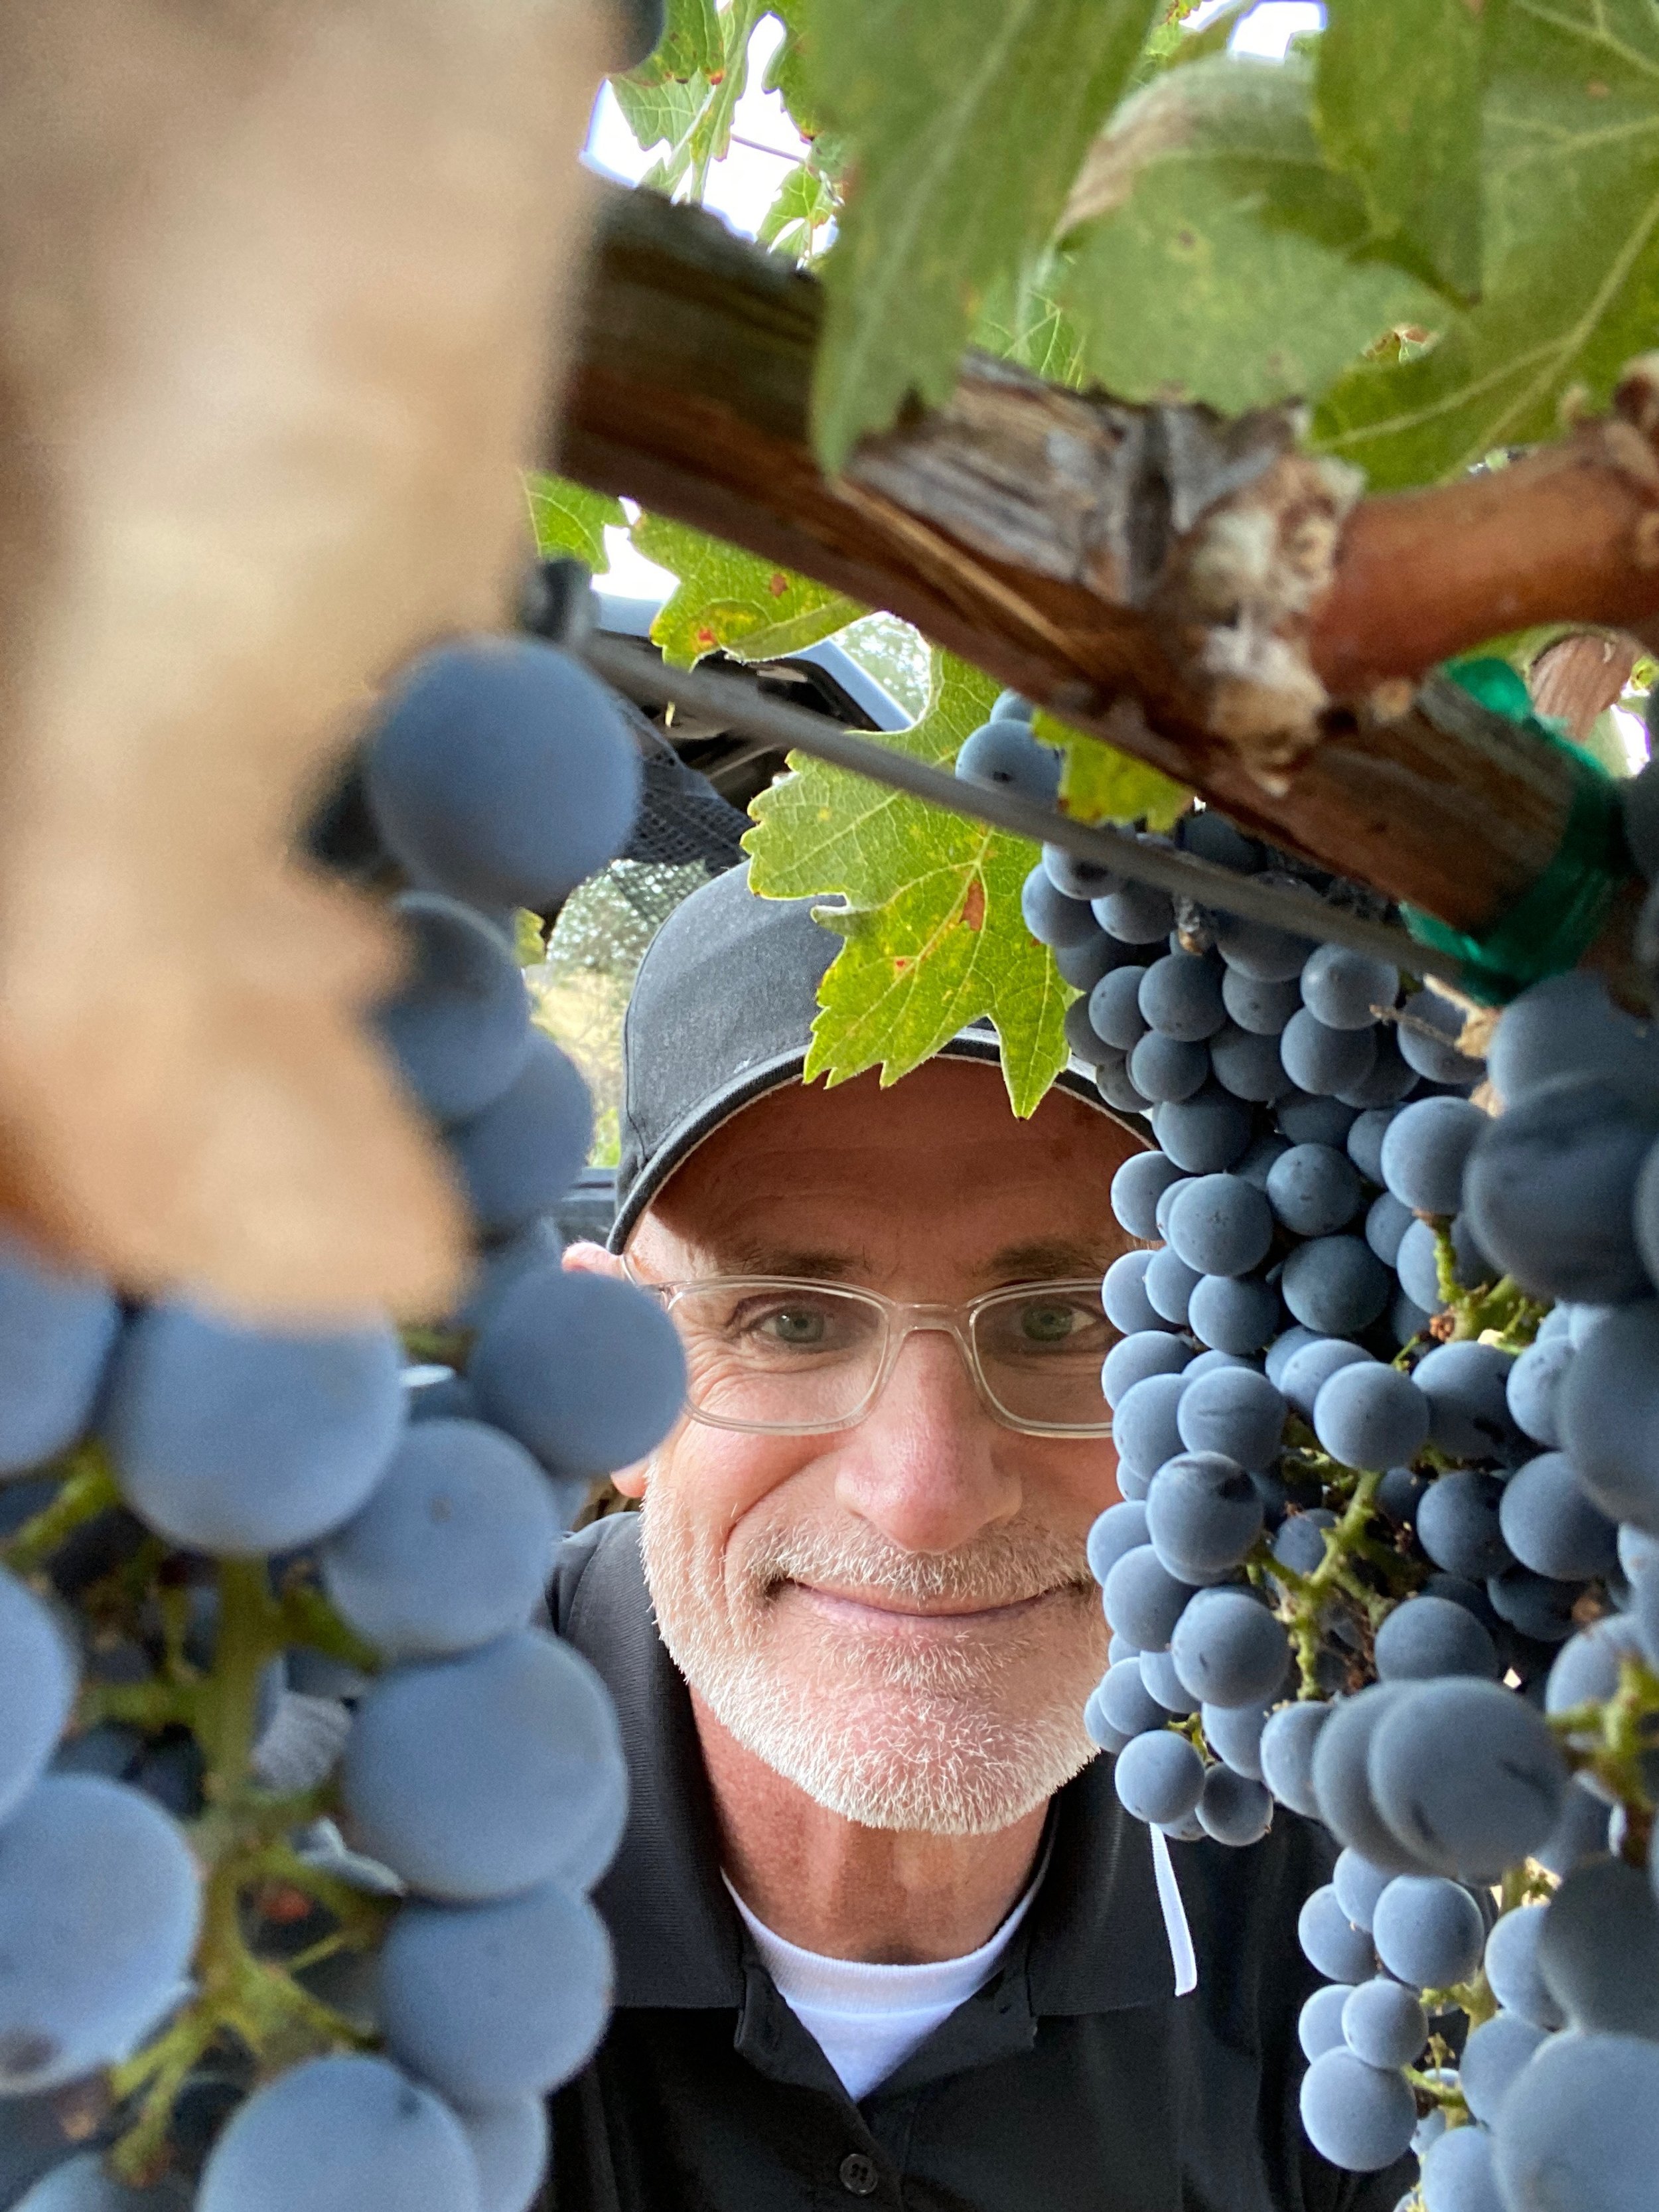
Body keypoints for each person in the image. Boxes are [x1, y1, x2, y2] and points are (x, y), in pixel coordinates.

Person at [548, 863, 1411, 2212]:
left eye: (1065, 1319)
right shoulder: (335, 1858)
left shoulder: (1325, 1918)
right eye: (789, 1319)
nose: (926, 1493)